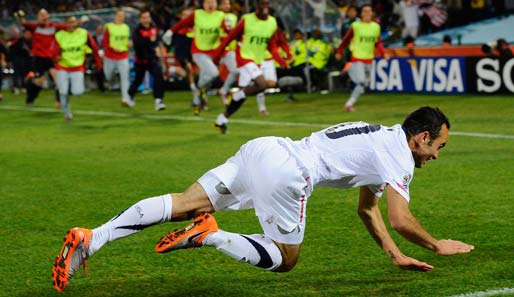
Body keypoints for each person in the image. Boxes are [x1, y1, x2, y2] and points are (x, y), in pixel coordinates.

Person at [52, 106, 475, 292]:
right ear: (422, 137)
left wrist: (394, 254)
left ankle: (93, 238)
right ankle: (211, 235)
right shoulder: (399, 156)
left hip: (264, 148)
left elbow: (369, 208)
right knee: (285, 258)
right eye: (438, 146)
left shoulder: (381, 141)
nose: (436, 155)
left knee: (183, 201)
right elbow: (401, 217)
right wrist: (437, 244)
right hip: (290, 172)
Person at [212, 0, 288, 134]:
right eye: (262, 4)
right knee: (262, 84)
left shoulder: (272, 22)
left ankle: (221, 119)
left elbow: (271, 45)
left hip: (257, 60)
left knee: (245, 95)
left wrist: (280, 60)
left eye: (267, 4)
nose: (265, 7)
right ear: (256, 6)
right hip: (243, 57)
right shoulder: (247, 20)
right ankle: (237, 95)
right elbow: (231, 36)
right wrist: (217, 54)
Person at [163, 0, 229, 115]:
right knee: (213, 74)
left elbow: (226, 33)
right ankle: (199, 91)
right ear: (203, 4)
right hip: (199, 51)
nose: (210, 5)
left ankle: (198, 98)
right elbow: (182, 23)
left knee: (206, 77)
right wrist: (171, 31)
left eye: (213, 2)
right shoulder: (197, 14)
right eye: (208, 2)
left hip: (214, 52)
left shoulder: (220, 15)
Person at [335, 4, 390, 112]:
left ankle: (349, 104)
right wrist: (339, 51)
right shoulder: (356, 26)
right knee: (361, 80)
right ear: (361, 13)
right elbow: (345, 39)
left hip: (369, 58)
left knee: (364, 83)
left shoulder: (376, 27)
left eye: (369, 11)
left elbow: (378, 42)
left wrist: (384, 54)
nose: (367, 13)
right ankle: (349, 68)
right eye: (365, 11)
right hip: (357, 57)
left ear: (372, 13)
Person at [54, 16, 102, 121]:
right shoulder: (59, 35)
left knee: (77, 92)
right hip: (63, 67)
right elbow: (53, 51)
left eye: (73, 22)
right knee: (62, 92)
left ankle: (66, 87)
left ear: (76, 23)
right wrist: (56, 57)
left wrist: (98, 61)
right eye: (69, 22)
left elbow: (94, 47)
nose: (71, 25)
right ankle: (67, 115)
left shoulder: (83, 33)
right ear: (65, 23)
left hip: (77, 67)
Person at [19, 9, 66, 107]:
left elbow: (67, 26)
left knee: (58, 79)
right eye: (41, 15)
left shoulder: (53, 27)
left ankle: (59, 101)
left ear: (48, 16)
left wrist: (80, 22)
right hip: (38, 58)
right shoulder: (34, 27)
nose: (43, 17)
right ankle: (30, 98)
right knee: (40, 82)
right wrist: (20, 16)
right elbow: (23, 22)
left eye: (45, 15)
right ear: (38, 17)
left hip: (49, 58)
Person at [127, 11, 166, 111]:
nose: (146, 20)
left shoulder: (154, 28)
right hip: (140, 61)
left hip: (152, 59)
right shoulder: (137, 31)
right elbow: (137, 44)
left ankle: (158, 100)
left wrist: (157, 49)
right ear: (140, 19)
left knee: (158, 76)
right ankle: (130, 95)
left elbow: (156, 41)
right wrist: (149, 40)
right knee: (138, 81)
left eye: (147, 17)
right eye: (143, 18)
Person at [102, 9, 131, 106]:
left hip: (123, 55)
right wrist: (113, 48)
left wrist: (129, 44)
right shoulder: (109, 27)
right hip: (110, 56)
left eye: (123, 16)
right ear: (115, 16)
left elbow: (126, 40)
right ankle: (110, 81)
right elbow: (104, 43)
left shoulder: (126, 27)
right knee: (108, 75)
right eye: (119, 15)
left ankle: (125, 98)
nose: (121, 17)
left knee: (125, 77)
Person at [218, 0, 240, 106]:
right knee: (210, 75)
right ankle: (200, 97)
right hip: (217, 48)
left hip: (229, 49)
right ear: (219, 5)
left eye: (228, 4)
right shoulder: (216, 16)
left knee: (235, 71)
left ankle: (224, 90)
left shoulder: (234, 17)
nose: (227, 6)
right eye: (224, 4)